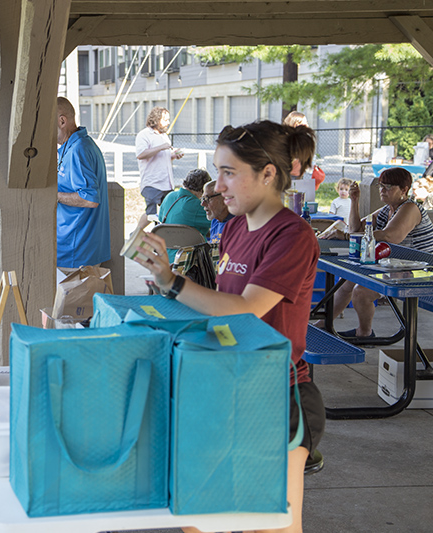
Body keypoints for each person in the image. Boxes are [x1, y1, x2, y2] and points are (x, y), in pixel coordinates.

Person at [135, 120, 324, 533]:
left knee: (270, 524)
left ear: (268, 173)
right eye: (218, 171)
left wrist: (172, 282)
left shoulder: (292, 236)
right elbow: (219, 311)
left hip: (278, 397)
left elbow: (245, 310)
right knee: (196, 517)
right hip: (226, 387)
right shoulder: (236, 227)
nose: (218, 185)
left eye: (229, 172)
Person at [321, 168, 433, 338]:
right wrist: (355, 201)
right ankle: (324, 324)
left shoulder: (410, 208)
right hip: (397, 265)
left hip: (420, 270)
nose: (382, 190)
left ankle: (364, 333)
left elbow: (391, 235)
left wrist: (347, 236)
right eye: (381, 186)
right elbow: (356, 228)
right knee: (346, 280)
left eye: (388, 187)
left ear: (404, 190)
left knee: (361, 292)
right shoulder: (387, 209)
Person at [55, 96, 111, 271]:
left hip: (77, 251)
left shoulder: (79, 149)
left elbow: (89, 199)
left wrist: (53, 196)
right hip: (76, 247)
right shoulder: (74, 146)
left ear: (62, 121)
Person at [136, 106, 184, 215]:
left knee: (168, 213)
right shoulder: (144, 135)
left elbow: (163, 156)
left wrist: (174, 155)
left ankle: (157, 231)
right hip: (152, 183)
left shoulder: (163, 136)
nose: (168, 122)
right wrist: (161, 147)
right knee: (151, 214)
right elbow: (140, 154)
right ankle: (137, 232)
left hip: (167, 183)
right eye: (165, 120)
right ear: (157, 119)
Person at [158, 169, 212, 259]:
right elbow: (217, 220)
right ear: (203, 189)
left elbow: (161, 219)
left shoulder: (170, 196)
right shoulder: (197, 205)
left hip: (166, 256)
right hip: (191, 258)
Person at [201, 179, 234, 245]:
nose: (202, 204)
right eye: (203, 199)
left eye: (207, 198)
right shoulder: (215, 221)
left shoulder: (238, 224)